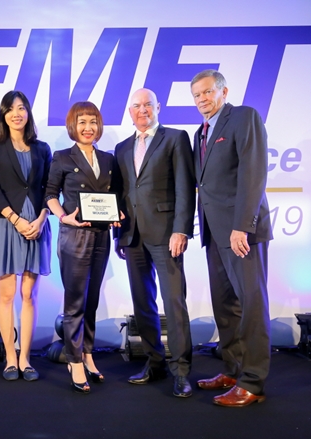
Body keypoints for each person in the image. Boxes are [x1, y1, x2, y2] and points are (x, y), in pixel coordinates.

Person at [190, 69, 272, 407]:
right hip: (214, 232)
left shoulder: (243, 117)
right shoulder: (200, 133)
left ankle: (252, 382)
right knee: (225, 305)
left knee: (251, 304)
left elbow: (254, 173)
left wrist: (243, 226)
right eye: (197, 95)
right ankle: (233, 370)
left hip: (242, 233)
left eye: (208, 92)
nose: (202, 99)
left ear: (223, 92)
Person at [114, 88, 196, 398]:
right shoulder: (122, 148)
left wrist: (181, 230)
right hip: (132, 236)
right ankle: (155, 362)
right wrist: (119, 235)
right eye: (136, 105)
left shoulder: (175, 138)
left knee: (174, 303)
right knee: (142, 303)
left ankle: (181, 371)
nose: (142, 110)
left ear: (158, 107)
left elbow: (185, 187)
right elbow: (121, 195)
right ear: (129, 111)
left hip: (166, 235)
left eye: (148, 104)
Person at [45, 101, 121, 394]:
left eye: (92, 122)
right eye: (82, 122)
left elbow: (115, 195)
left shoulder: (109, 159)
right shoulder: (63, 157)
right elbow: (50, 194)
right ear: (73, 126)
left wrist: (118, 212)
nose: (88, 128)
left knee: (91, 300)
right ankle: (74, 360)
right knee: (75, 301)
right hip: (74, 235)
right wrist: (63, 216)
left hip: (102, 235)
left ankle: (88, 353)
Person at [0, 91, 52, 381]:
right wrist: (15, 219)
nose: (16, 114)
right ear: (3, 115)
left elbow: (51, 188)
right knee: (7, 294)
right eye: (10, 109)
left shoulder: (42, 148)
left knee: (28, 295)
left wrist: (41, 219)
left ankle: (25, 358)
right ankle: (10, 358)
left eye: (21, 108)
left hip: (36, 225)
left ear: (28, 112)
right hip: (5, 224)